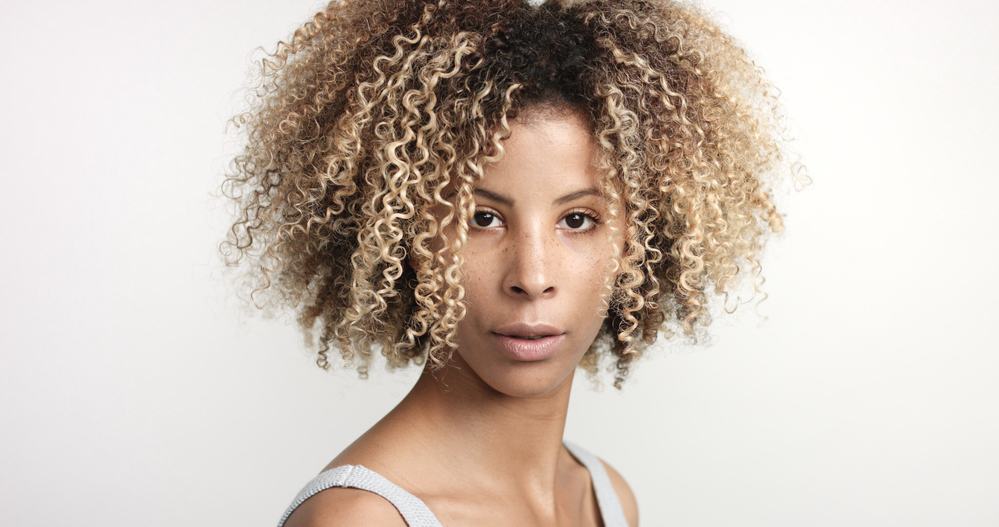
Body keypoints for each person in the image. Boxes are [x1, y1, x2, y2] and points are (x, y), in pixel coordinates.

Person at [218, 0, 796, 524]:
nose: (532, 277)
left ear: (639, 241)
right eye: (481, 218)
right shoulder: (362, 521)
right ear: (404, 234)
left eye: (577, 220)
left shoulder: (606, 498)